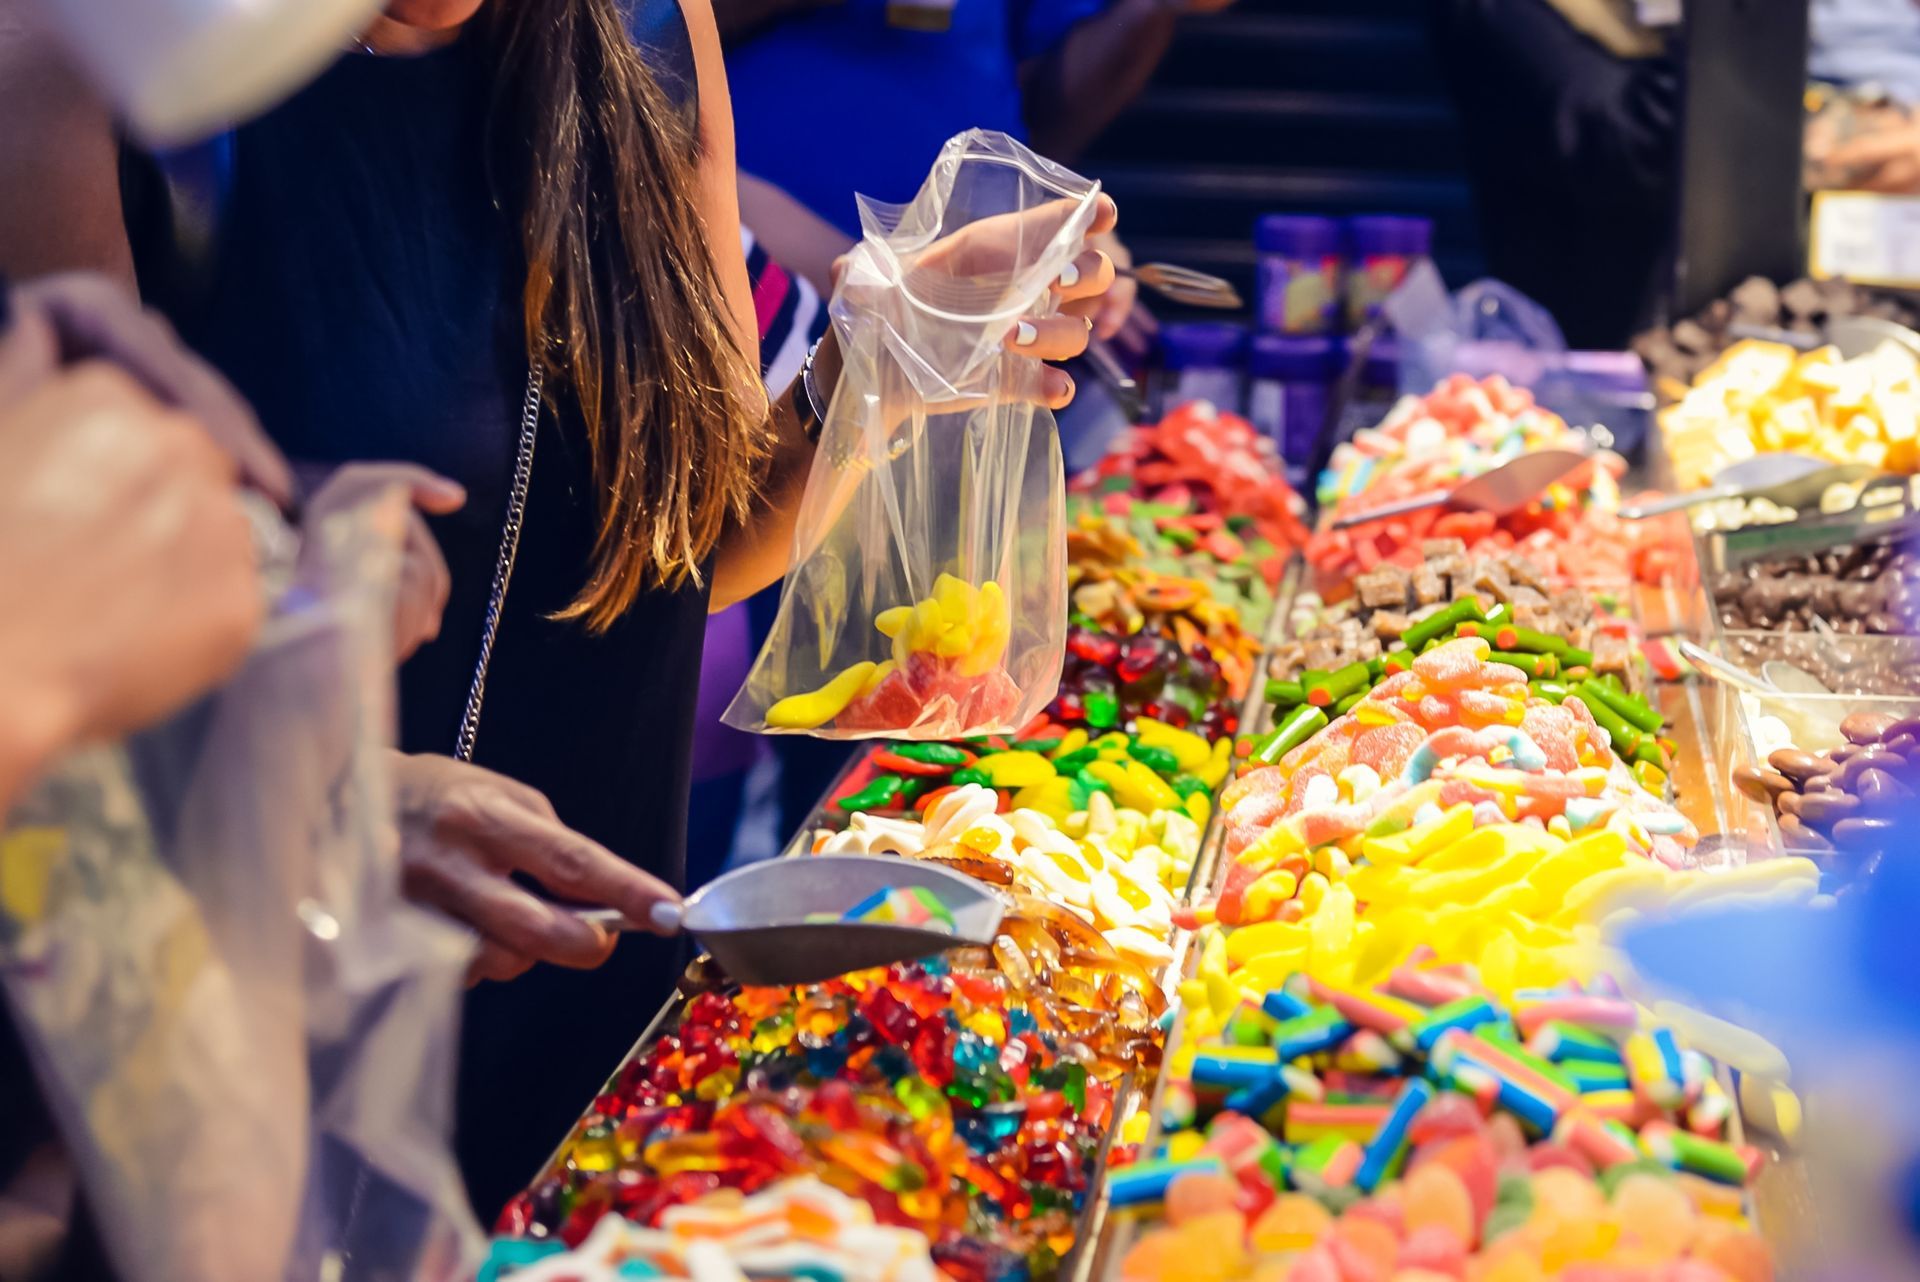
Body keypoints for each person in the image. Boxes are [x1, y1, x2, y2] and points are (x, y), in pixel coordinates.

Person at [0, 0, 1119, 1218]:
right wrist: (315, 793)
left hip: (588, 1073)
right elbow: (54, 642)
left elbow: (685, 534)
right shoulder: (79, 65)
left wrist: (874, 366)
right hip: (206, 1099)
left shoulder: (646, 27)